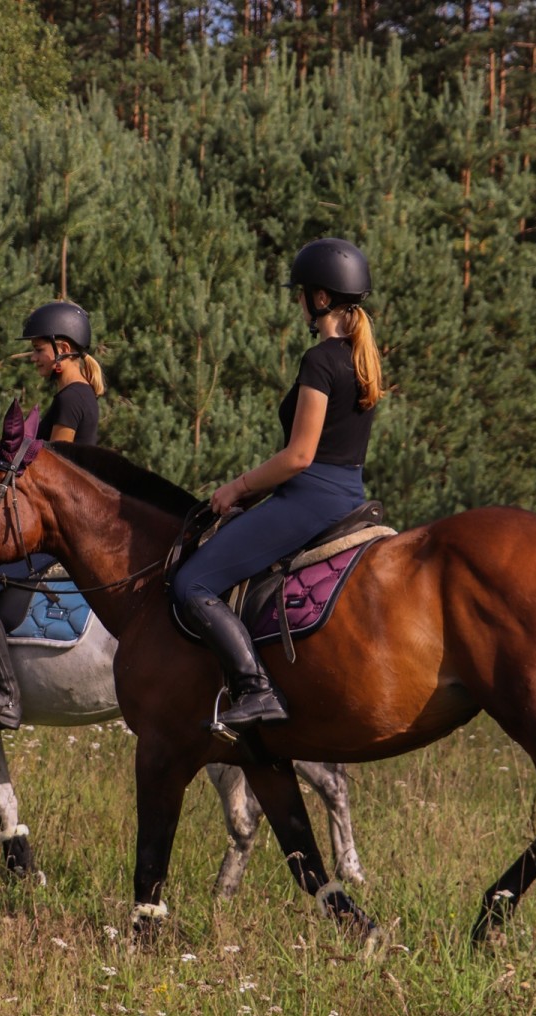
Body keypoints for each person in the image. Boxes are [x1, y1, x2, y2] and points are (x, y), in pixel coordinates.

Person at [171, 238, 386, 728]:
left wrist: (237, 488)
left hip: (311, 497)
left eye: (302, 293)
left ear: (321, 298)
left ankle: (255, 687)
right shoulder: (360, 359)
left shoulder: (320, 359)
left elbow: (300, 455)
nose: (299, 302)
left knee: (192, 582)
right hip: (348, 491)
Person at [0, 300, 105, 728]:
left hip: (56, 529)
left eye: (38, 350)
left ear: (61, 349)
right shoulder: (74, 396)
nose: (33, 358)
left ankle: (3, 693)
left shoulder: (73, 401)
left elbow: (48, 475)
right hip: (57, 523)